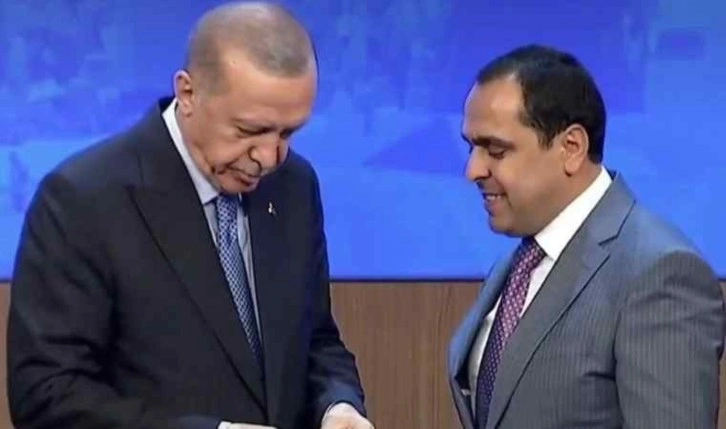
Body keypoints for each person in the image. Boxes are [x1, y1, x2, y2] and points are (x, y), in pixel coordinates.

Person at [7, 2, 373, 429]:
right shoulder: (82, 200)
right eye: (249, 131)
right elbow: (47, 395)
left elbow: (316, 340)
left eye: (288, 132)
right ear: (188, 94)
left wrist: (338, 406)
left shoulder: (294, 186)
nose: (270, 157)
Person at [448, 44, 724, 429]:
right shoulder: (516, 265)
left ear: (572, 148)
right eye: (471, 147)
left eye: (495, 150)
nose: (473, 170)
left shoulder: (660, 274)